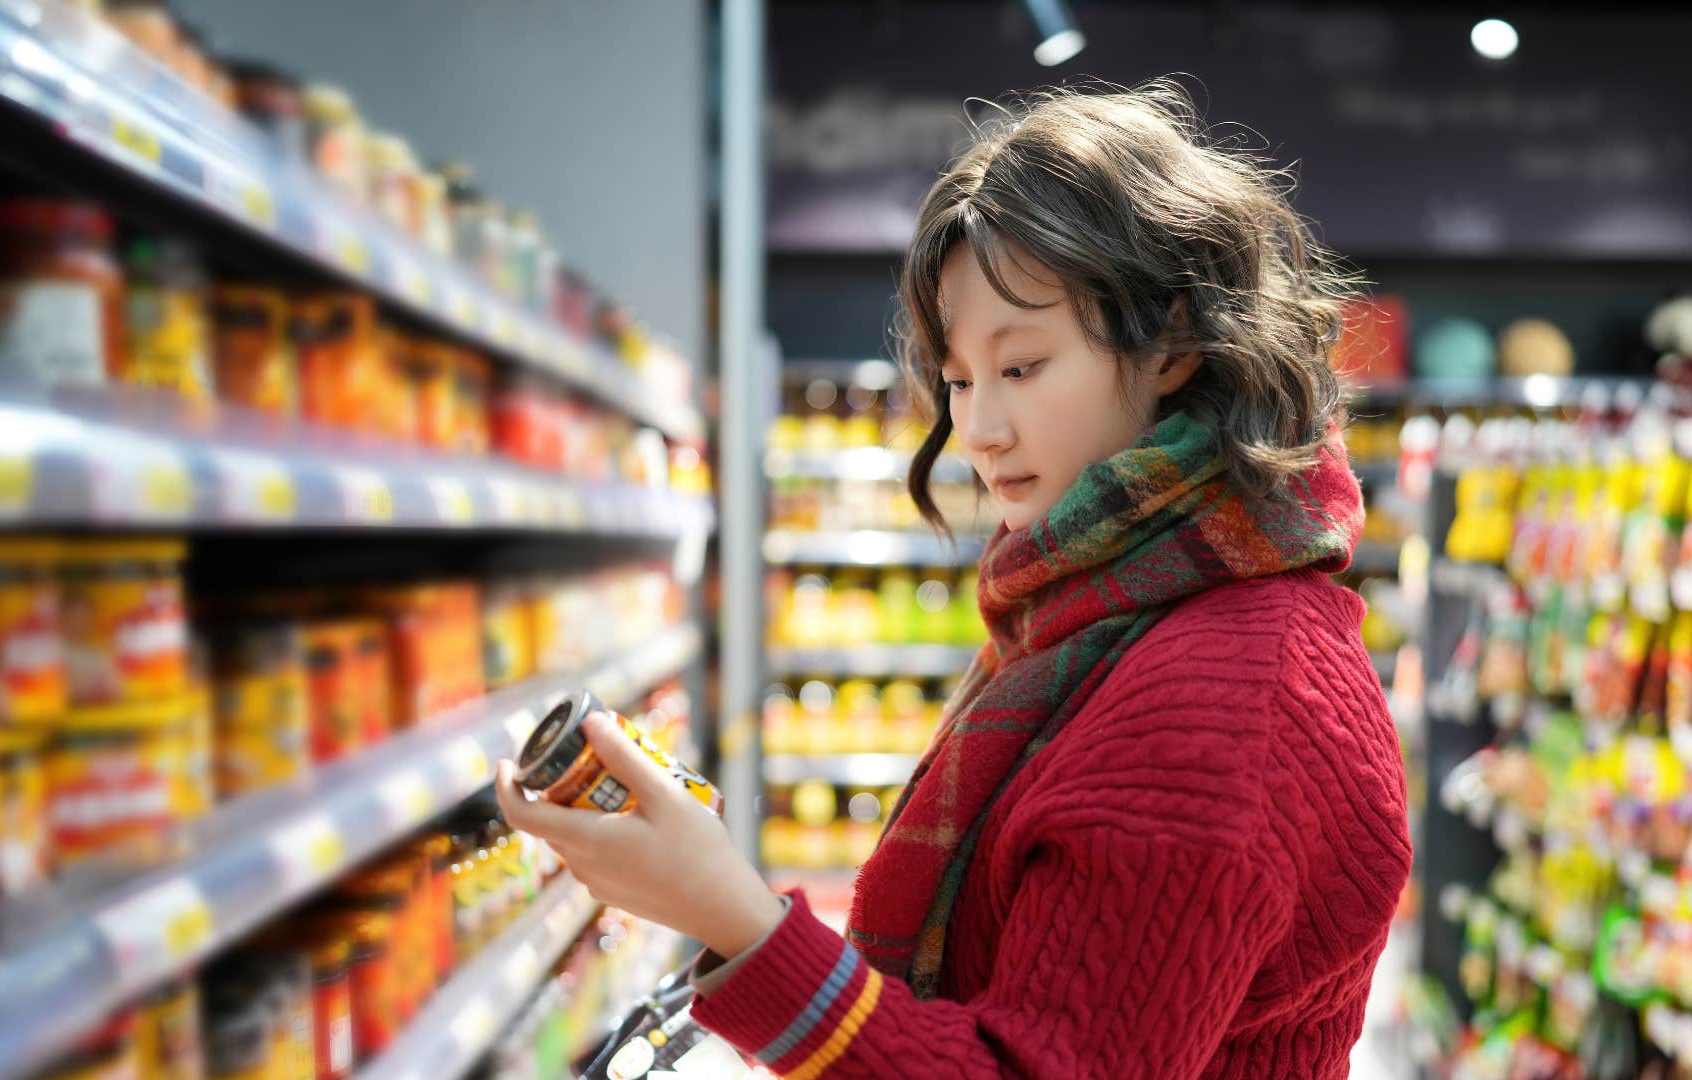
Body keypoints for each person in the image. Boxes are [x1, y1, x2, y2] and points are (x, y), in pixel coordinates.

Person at [497, 79, 1412, 1079]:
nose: (978, 432)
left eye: (1021, 368)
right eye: (961, 381)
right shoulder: (1119, 605)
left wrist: (737, 919)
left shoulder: (1223, 695)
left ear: (1174, 344)